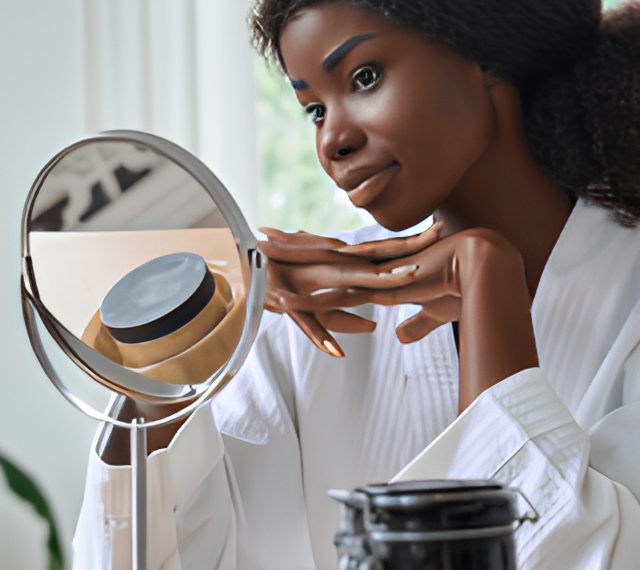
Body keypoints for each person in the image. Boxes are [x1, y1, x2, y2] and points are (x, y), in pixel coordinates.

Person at [72, 0, 640, 568]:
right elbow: (137, 555)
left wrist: (491, 283)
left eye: (364, 78)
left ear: (485, 52)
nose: (332, 142)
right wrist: (180, 350)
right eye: (315, 109)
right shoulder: (301, 325)